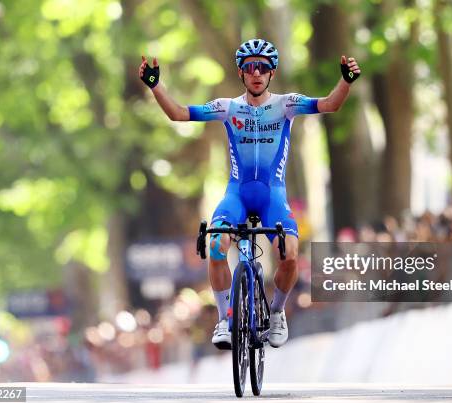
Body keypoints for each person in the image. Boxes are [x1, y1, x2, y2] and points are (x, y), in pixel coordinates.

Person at [139, 38, 361, 349]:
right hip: (237, 195)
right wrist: (156, 86)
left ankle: (277, 312)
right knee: (216, 245)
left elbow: (330, 104)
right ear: (241, 73)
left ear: (272, 73)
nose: (256, 72)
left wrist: (346, 81)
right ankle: (224, 321)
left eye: (263, 67)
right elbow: (178, 113)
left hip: (273, 196)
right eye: (249, 67)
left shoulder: (286, 104)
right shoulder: (228, 108)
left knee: (291, 255)